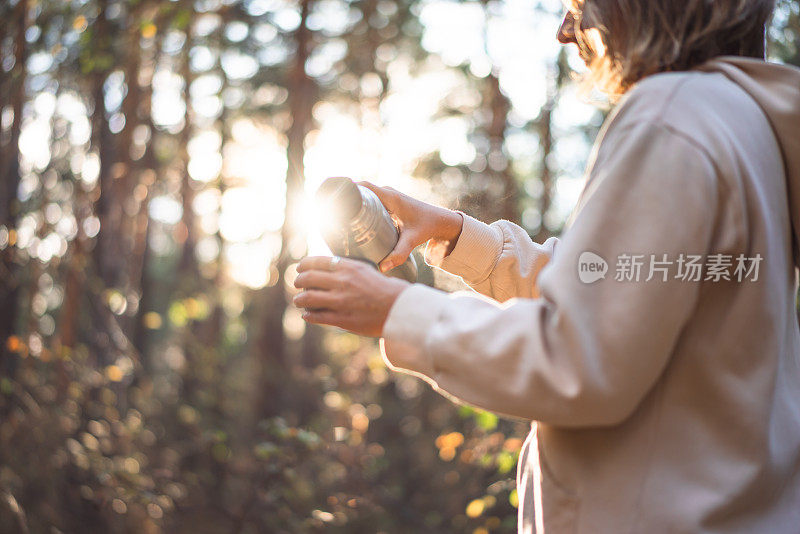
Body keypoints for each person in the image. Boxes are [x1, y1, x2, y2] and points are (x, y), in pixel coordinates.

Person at [293, 0, 800, 531]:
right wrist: (453, 232)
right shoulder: (735, 118)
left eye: (579, 3)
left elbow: (579, 357)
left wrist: (400, 311)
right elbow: (612, 285)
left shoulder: (671, 118)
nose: (564, 29)